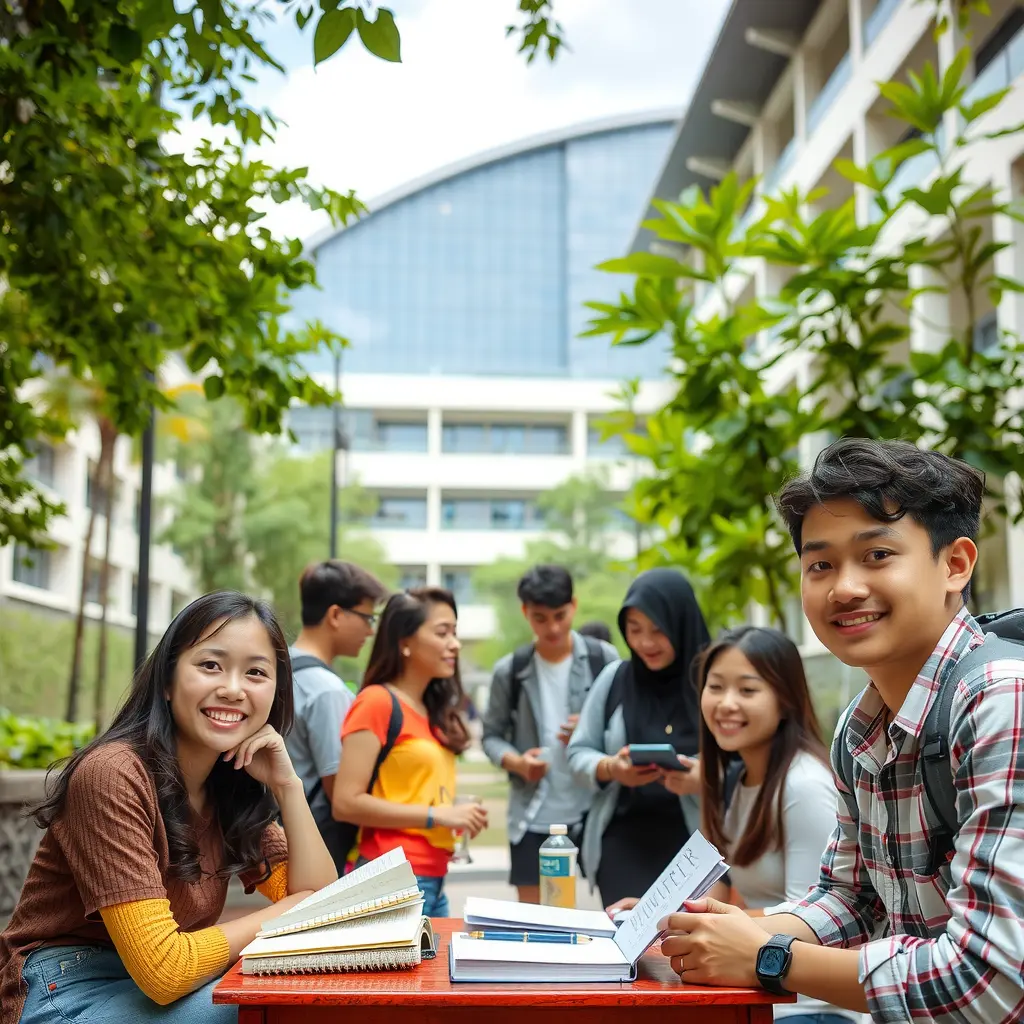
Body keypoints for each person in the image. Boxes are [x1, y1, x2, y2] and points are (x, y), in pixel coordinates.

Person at [659, 438, 1024, 1023]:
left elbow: (987, 981)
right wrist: (706, 933)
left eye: (877, 555)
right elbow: (850, 898)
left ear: (955, 564)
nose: (843, 588)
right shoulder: (861, 726)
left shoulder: (999, 700)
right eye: (820, 564)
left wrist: (767, 956)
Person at [0, 591, 338, 1024]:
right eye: (210, 665)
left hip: (171, 983)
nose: (233, 689)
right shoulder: (112, 774)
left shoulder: (231, 784)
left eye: (256, 672)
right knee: (283, 1008)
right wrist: (295, 910)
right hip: (68, 987)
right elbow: (165, 971)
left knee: (307, 996)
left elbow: (325, 906)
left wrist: (288, 786)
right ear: (166, 680)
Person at [609, 626, 855, 1024]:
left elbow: (813, 920)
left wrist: (691, 921)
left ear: (785, 699)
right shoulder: (740, 782)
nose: (726, 704)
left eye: (747, 690)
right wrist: (657, 912)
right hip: (750, 993)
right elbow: (715, 889)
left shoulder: (804, 785)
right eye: (716, 687)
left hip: (807, 1008)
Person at [332, 587, 486, 916]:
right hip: (391, 877)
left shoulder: (433, 712)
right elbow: (345, 802)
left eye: (455, 633)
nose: (454, 644)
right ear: (404, 641)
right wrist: (438, 815)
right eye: (442, 633)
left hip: (434, 877)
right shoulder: (376, 702)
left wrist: (456, 814)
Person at [567, 568, 709, 907]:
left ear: (681, 624)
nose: (645, 642)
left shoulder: (714, 680)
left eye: (658, 630)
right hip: (623, 839)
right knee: (629, 944)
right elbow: (577, 753)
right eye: (634, 630)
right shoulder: (615, 678)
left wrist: (702, 778)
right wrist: (612, 768)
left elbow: (744, 758)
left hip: (698, 841)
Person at [482, 565, 618, 903]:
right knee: (535, 924)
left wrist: (589, 728)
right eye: (541, 618)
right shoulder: (510, 671)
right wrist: (516, 762)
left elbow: (622, 730)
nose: (553, 627)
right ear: (525, 612)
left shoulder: (604, 660)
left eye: (560, 615)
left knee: (612, 916)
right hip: (533, 814)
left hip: (595, 810)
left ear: (574, 605)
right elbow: (490, 736)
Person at [286, 560, 388, 870]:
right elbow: (341, 795)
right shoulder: (327, 690)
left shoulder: (276, 669)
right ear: (335, 615)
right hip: (316, 842)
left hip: (279, 833)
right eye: (367, 617)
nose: (370, 630)